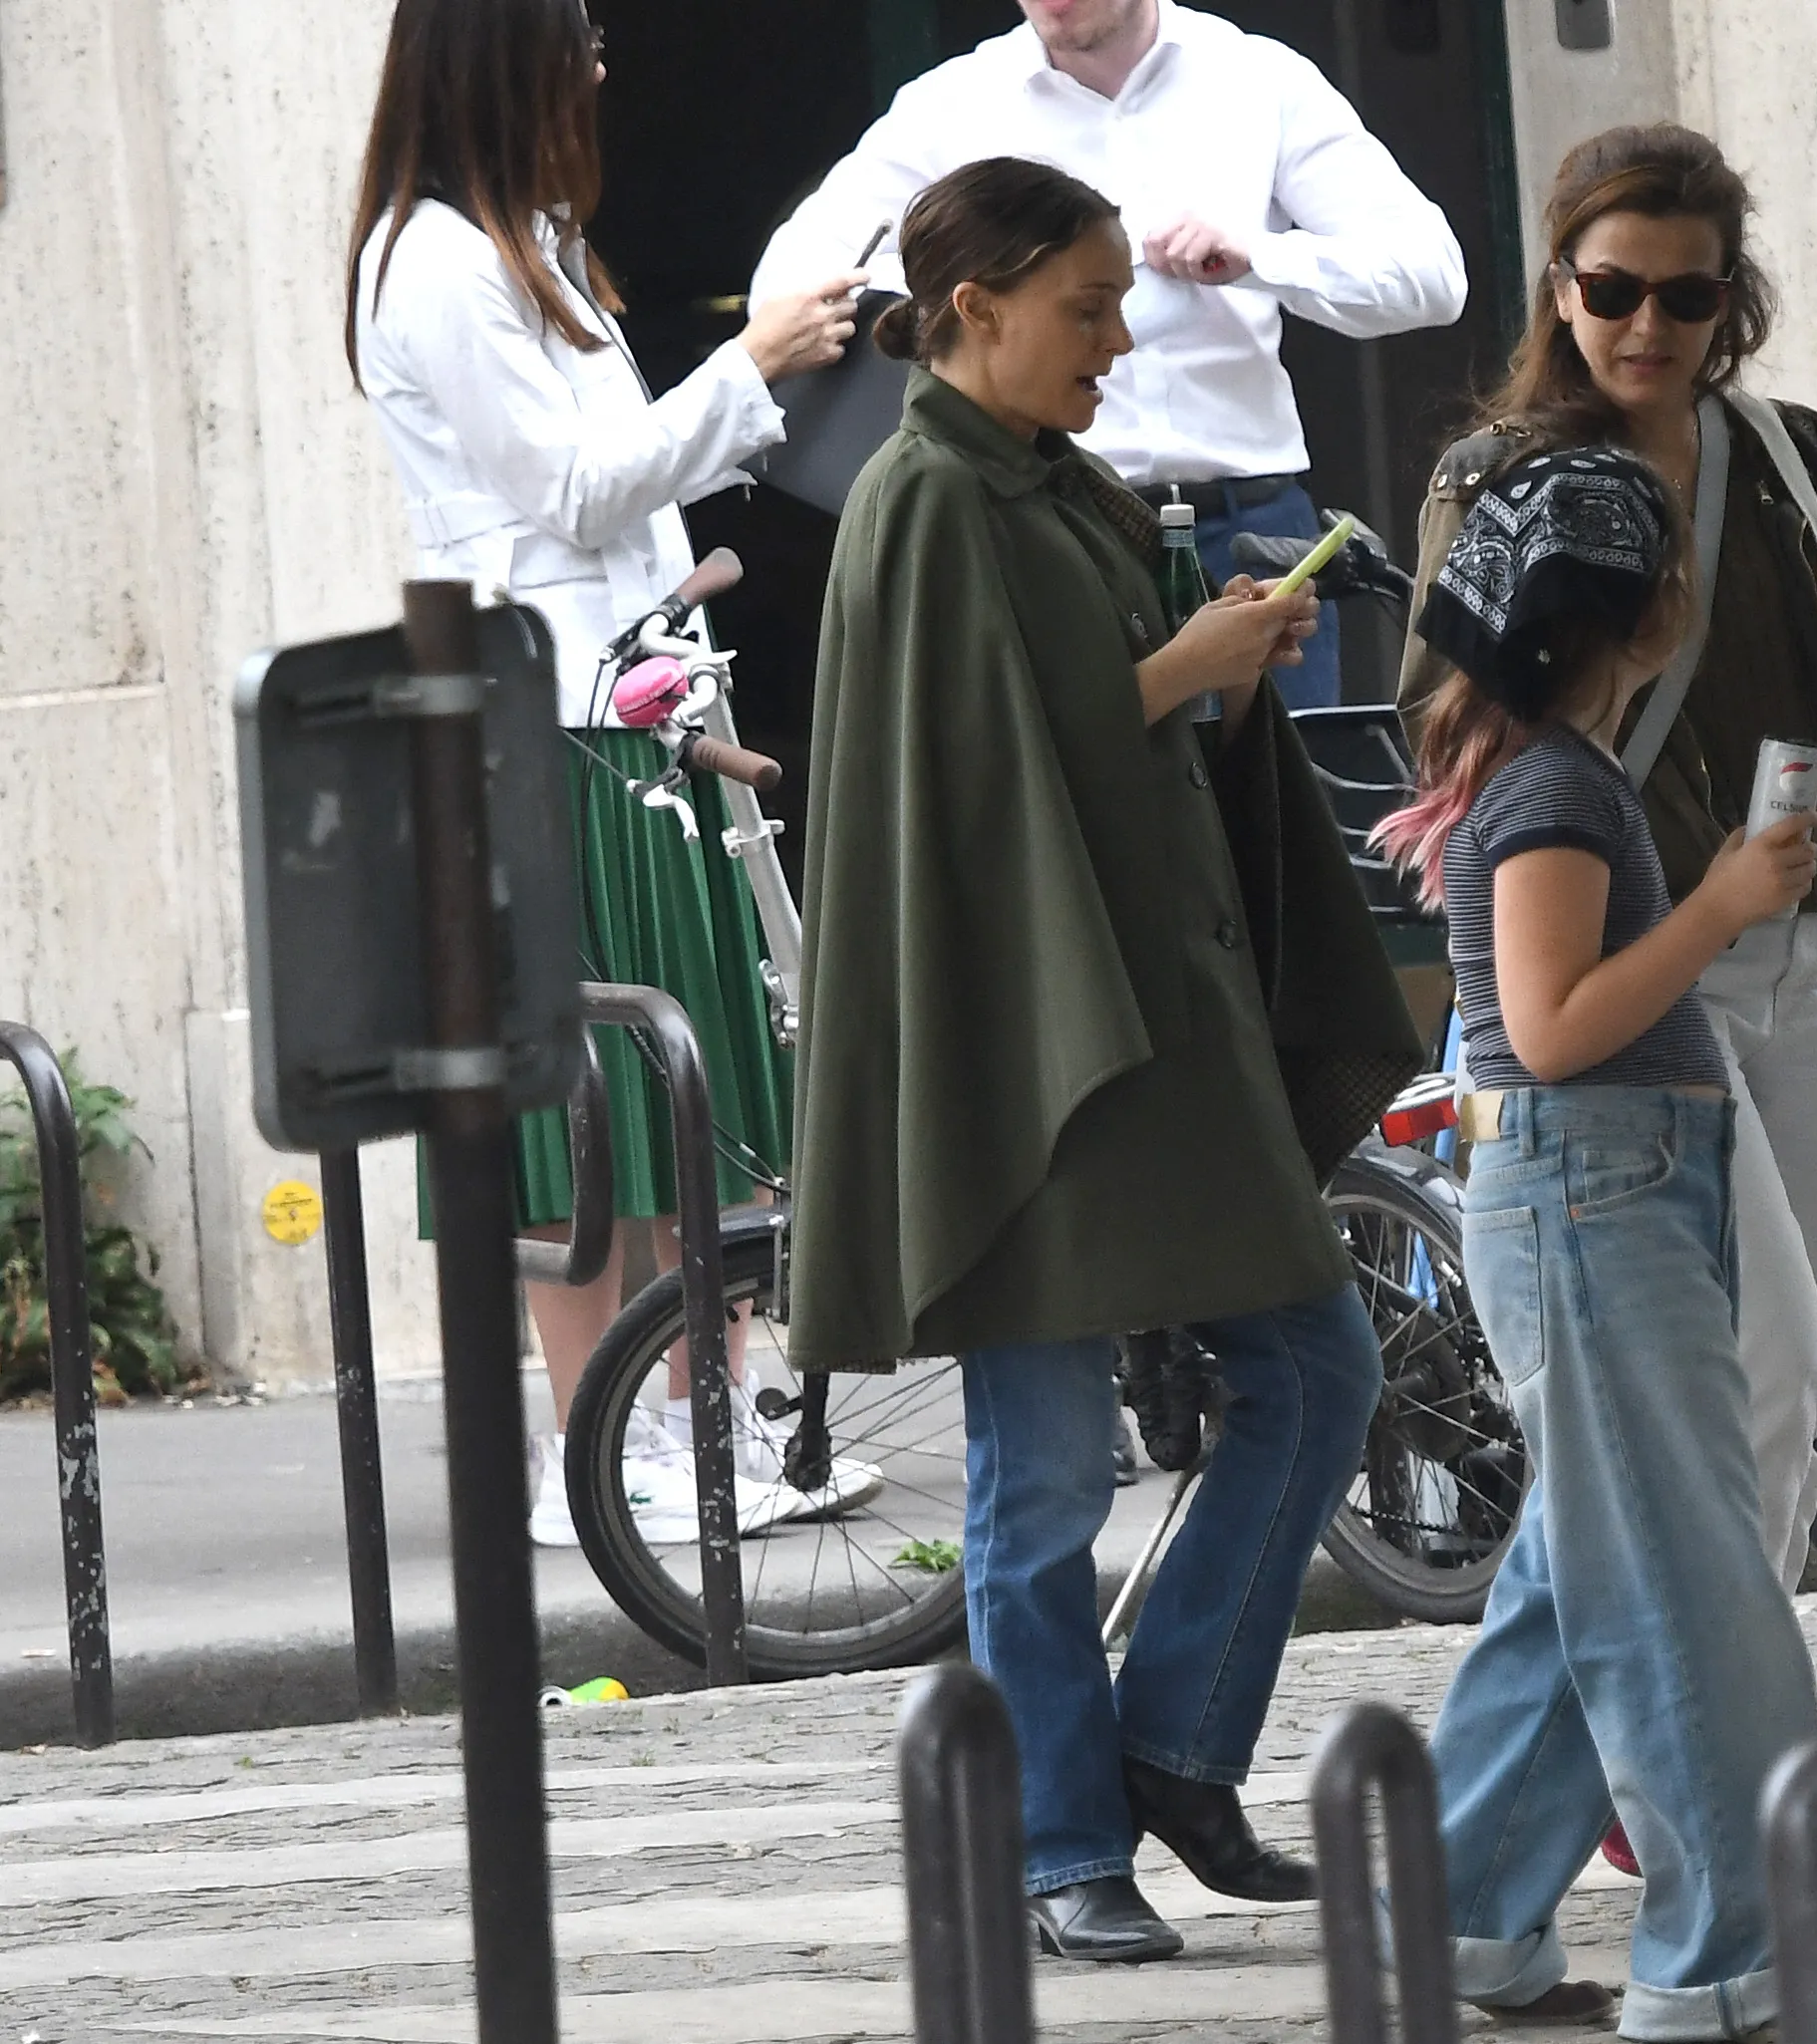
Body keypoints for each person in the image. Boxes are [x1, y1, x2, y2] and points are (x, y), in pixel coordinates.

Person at [784, 156, 1425, 1963]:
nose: (1116, 338)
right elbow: (965, 779)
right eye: (1085, 306)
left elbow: (1079, 732)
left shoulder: (1058, 484)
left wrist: (1216, 664)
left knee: (1316, 1365)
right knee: (1044, 1470)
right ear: (976, 306)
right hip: (1027, 1052)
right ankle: (1068, 1839)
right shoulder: (918, 496)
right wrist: (1181, 667)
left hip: (1151, 1026)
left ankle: (1166, 1750)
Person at [345, 0, 874, 1546]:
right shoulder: (436, 258)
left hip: (616, 698)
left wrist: (756, 399)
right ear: (499, 58)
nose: (595, 60)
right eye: (569, 35)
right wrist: (748, 363)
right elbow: (571, 491)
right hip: (541, 714)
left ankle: (692, 1421)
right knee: (575, 1107)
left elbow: (625, 474)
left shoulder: (534, 243)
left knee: (662, 1093)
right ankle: (601, 1448)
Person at [1401, 123, 1817, 1603]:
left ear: (1727, 302)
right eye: (1613, 289)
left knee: (1797, 1352)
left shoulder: (1807, 466)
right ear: (1560, 287)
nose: (1646, 326)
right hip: (1623, 956)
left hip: (1805, 938)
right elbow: (1435, 735)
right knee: (1709, 1370)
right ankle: (1688, 1713)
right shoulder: (1492, 483)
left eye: (1685, 299)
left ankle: (1715, 1694)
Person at [1374, 446, 1817, 2037]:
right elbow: (1552, 1028)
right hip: (1594, 1182)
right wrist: (1719, 904)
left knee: (1589, 1571)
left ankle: (1455, 1918)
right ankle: (1720, 1962)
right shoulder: (1557, 789)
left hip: (1603, 1186)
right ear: (1642, 620)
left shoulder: (1542, 771)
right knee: (1678, 1586)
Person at [751, 0, 1471, 710]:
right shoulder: (954, 104)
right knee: (1084, 806)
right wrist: (992, 288)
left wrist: (1258, 256)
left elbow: (1429, 278)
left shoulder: (1258, 78)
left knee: (1284, 811)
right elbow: (791, 284)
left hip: (1246, 534)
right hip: (1053, 527)